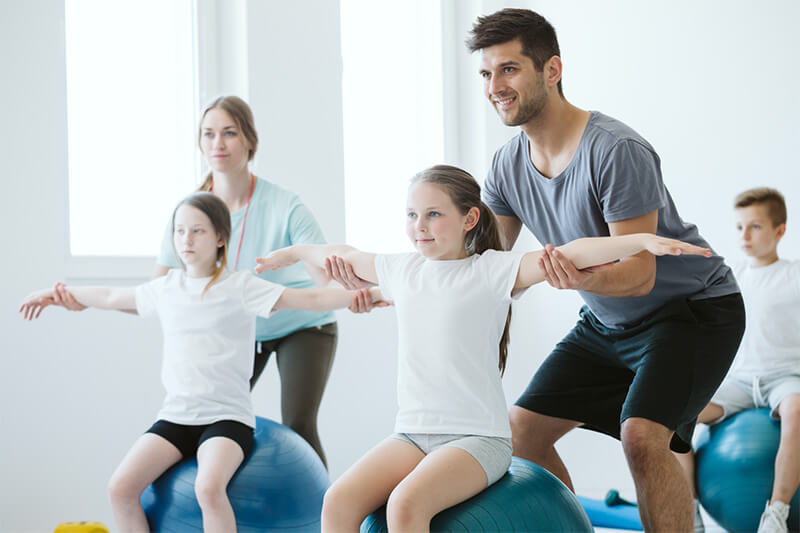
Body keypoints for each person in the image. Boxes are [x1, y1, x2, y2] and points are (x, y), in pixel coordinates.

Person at [255, 165, 714, 533]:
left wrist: (640, 241)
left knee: (405, 506)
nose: (420, 227)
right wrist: (294, 253)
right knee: (337, 501)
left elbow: (572, 253)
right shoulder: (402, 270)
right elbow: (339, 253)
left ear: (469, 219)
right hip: (412, 435)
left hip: (478, 440)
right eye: (412, 215)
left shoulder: (492, 271)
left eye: (433, 214)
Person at [461, 8, 746, 531]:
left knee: (642, 436)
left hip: (692, 312)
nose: (494, 87)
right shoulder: (505, 166)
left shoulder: (615, 150)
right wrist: (405, 285)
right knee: (521, 433)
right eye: (486, 73)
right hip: (608, 321)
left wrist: (576, 276)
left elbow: (640, 273)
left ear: (551, 70)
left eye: (509, 69)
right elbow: (489, 269)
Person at [19, 193, 370, 532]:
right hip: (176, 417)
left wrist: (369, 293)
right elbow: (111, 296)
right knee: (120, 488)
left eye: (197, 230)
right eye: (180, 230)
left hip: (226, 419)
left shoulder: (241, 287)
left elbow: (312, 299)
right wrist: (58, 295)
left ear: (220, 237)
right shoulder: (166, 288)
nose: (186, 239)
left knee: (208, 488)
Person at [55, 96, 340, 467]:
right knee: (206, 416)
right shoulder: (191, 215)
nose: (217, 143)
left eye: (229, 133)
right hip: (239, 330)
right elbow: (156, 294)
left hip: (301, 324)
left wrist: (336, 282)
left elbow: (323, 276)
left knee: (299, 424)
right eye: (208, 134)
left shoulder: (285, 204)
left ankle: (324, 504)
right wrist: (82, 299)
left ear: (249, 140)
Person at [676, 188, 799, 533]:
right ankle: (688, 511)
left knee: (797, 411)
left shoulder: (794, 275)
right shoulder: (731, 277)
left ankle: (776, 512)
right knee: (675, 415)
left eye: (755, 227)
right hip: (741, 382)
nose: (745, 235)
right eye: (740, 227)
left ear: (779, 231)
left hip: (785, 378)